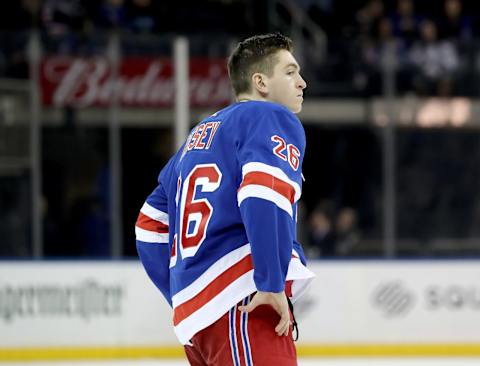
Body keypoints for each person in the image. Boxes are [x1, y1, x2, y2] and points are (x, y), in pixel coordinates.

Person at [135, 33, 315, 365]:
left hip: (201, 323)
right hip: (245, 300)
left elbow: (149, 225)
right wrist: (270, 281)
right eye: (290, 72)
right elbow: (261, 192)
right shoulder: (271, 118)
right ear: (261, 82)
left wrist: (186, 294)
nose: (302, 82)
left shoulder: (199, 136)